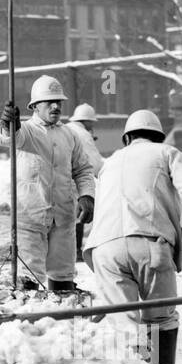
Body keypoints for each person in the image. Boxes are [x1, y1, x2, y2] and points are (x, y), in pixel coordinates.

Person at [84, 110, 182, 364]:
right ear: (159, 136)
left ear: (127, 137)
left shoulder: (111, 161)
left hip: (105, 249)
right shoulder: (165, 153)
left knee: (124, 325)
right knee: (160, 319)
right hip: (149, 244)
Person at [0, 76, 97, 292]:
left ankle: (62, 317)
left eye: (58, 102)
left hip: (63, 218)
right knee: (28, 277)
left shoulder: (69, 135)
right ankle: (26, 318)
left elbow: (83, 170)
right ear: (34, 106)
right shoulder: (26, 131)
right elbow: (10, 137)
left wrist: (87, 196)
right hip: (30, 219)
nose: (55, 106)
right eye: (49, 102)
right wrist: (8, 124)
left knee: (63, 277)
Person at [66, 103, 105, 260]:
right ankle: (75, 251)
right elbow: (94, 162)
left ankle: (70, 250)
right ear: (86, 121)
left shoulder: (66, 128)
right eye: (92, 122)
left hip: (60, 179)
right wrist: (105, 175)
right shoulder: (82, 134)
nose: (93, 125)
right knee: (79, 216)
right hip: (75, 180)